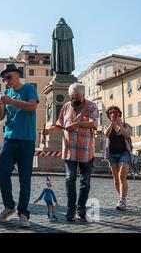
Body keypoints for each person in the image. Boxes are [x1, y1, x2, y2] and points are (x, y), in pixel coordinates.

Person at [43, 83, 99, 223]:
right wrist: (50, 131)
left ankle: (81, 210)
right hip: (69, 150)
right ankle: (70, 210)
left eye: (77, 96)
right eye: (72, 97)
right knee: (69, 180)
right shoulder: (66, 106)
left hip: (86, 150)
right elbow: (59, 124)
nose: (75, 99)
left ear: (83, 94)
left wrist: (77, 124)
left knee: (84, 182)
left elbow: (94, 123)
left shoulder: (91, 106)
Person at [0, 64, 39, 228]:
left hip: (26, 139)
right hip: (9, 138)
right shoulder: (7, 93)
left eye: (8, 77)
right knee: (2, 173)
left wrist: (11, 101)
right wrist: (0, 106)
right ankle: (9, 206)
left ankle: (23, 213)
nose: (6, 81)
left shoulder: (28, 88)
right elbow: (1, 117)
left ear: (17, 75)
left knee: (24, 179)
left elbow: (33, 106)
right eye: (4, 79)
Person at [103, 106, 133, 211]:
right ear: (109, 115)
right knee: (116, 178)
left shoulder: (126, 125)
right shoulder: (107, 125)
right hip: (111, 154)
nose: (115, 115)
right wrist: (112, 123)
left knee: (121, 176)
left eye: (116, 113)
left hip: (124, 153)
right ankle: (121, 197)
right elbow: (106, 134)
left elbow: (127, 136)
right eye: (111, 113)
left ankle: (122, 199)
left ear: (120, 114)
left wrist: (120, 124)